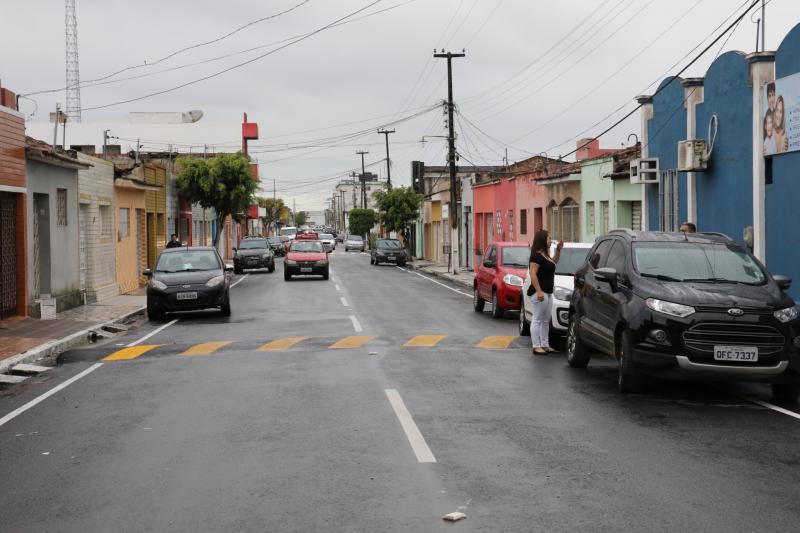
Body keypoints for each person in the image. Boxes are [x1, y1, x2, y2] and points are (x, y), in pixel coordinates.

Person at [528, 229, 562, 355]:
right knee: (537, 318)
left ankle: (545, 344)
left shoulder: (545, 256)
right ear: (542, 240)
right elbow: (533, 273)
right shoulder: (536, 255)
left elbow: (554, 261)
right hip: (540, 292)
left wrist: (558, 250)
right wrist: (539, 291)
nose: (551, 240)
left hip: (548, 292)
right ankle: (536, 346)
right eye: (549, 238)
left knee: (545, 319)